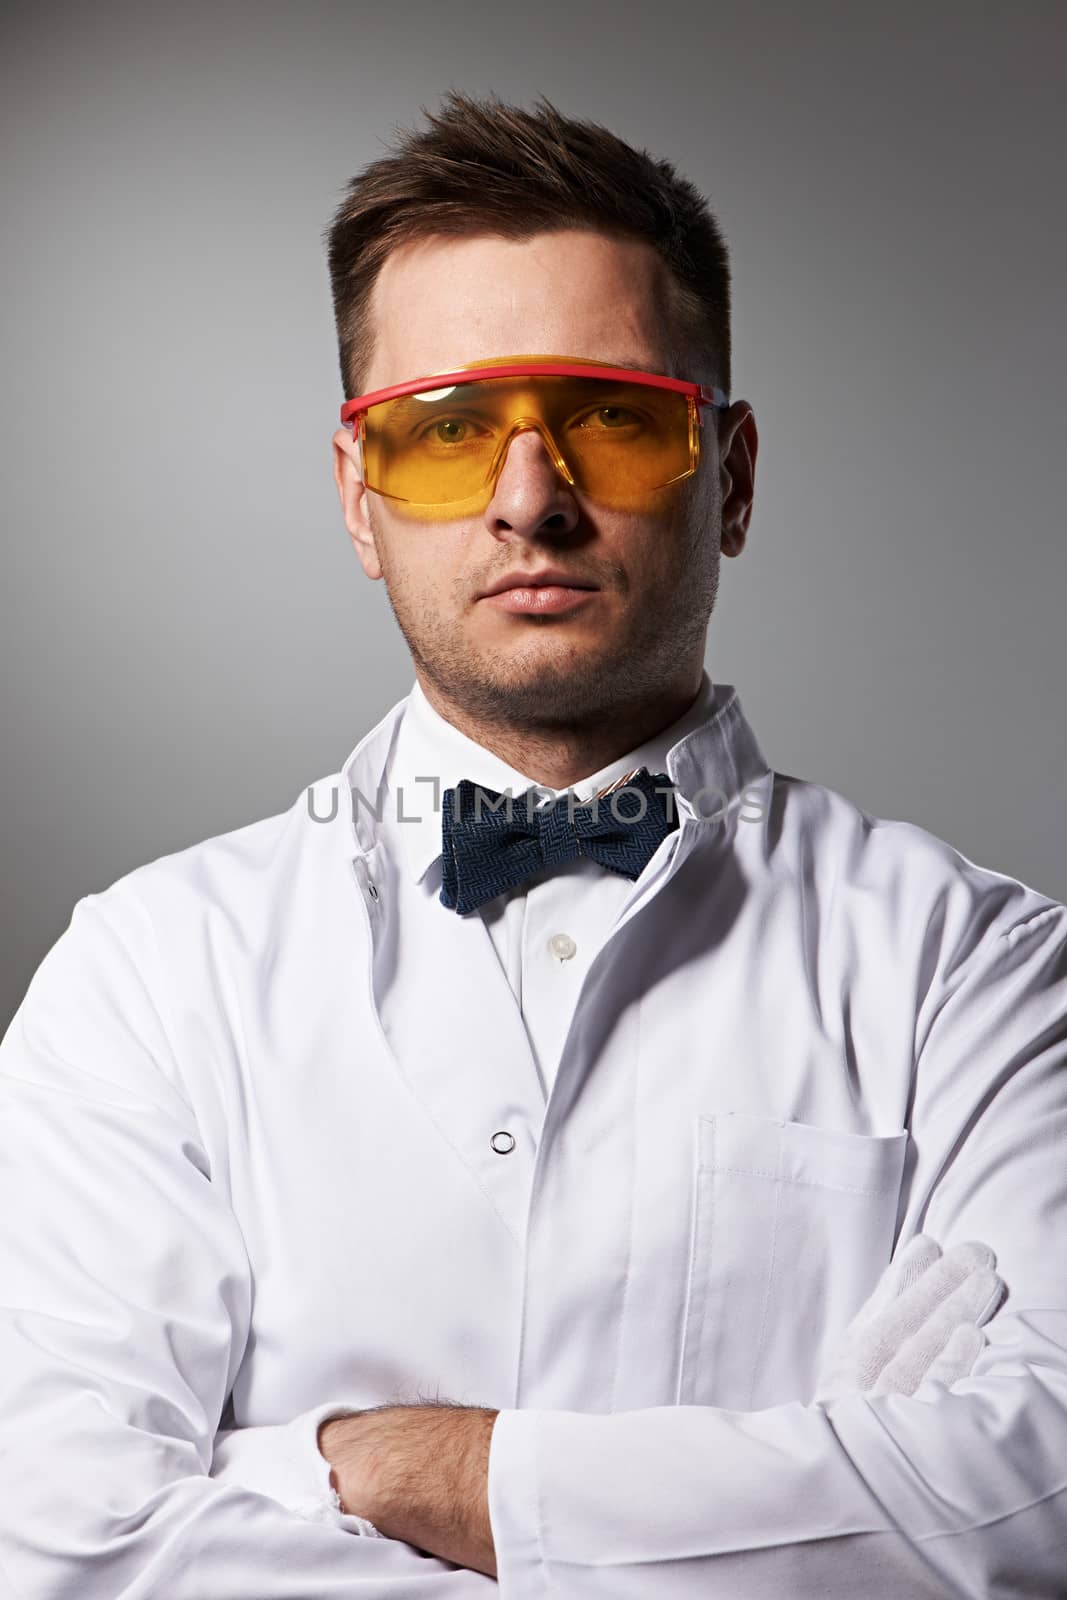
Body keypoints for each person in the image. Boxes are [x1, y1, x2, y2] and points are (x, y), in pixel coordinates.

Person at [1, 89, 1065, 1598]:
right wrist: (827, 1494)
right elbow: (58, 1538)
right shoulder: (147, 978)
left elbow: (1041, 1497)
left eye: (612, 422)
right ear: (360, 500)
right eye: (443, 436)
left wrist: (399, 1472)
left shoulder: (981, 970)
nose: (528, 502)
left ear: (733, 474)